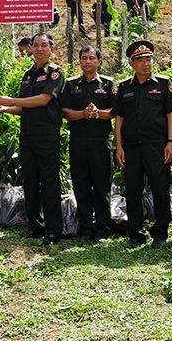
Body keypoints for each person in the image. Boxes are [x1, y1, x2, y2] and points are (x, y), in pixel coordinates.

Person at [0, 33, 65, 245]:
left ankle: (53, 230)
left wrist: (10, 99)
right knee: (30, 180)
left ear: (51, 48)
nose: (40, 49)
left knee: (49, 182)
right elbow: (24, 106)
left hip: (46, 135)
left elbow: (42, 100)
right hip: (28, 135)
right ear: (30, 48)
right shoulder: (27, 75)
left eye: (44, 45)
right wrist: (5, 109)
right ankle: (34, 225)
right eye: (36, 45)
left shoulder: (55, 74)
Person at [113, 40, 172, 249]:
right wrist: (119, 146)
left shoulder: (163, 84)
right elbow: (119, 119)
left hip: (156, 145)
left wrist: (171, 142)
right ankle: (135, 234)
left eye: (148, 60)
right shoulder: (124, 87)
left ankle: (160, 233)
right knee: (133, 190)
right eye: (140, 61)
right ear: (132, 64)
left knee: (160, 189)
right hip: (131, 147)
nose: (145, 64)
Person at [59, 45, 115, 242]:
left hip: (101, 144)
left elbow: (115, 111)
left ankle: (102, 229)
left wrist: (98, 114)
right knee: (81, 187)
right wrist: (82, 114)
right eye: (84, 58)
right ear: (79, 61)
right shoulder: (71, 84)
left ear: (99, 61)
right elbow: (65, 111)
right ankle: (85, 229)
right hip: (78, 143)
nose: (88, 61)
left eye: (92, 58)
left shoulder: (108, 84)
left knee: (101, 188)